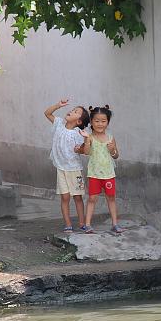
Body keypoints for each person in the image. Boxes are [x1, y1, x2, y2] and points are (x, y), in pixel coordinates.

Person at [44, 98, 90, 232]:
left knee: (77, 197)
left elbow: (83, 151)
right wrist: (58, 105)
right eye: (72, 109)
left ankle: (82, 223)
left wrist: (81, 146)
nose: (71, 111)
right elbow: (47, 113)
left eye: (76, 112)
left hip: (74, 169)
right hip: (61, 168)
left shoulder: (78, 134)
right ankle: (68, 224)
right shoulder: (59, 124)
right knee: (64, 197)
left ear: (79, 121)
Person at [79, 105, 124, 234]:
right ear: (91, 122)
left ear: (108, 122)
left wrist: (112, 150)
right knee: (92, 198)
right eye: (97, 121)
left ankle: (115, 223)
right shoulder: (90, 137)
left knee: (111, 198)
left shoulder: (110, 137)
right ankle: (87, 225)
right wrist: (87, 140)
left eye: (103, 121)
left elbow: (116, 155)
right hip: (94, 173)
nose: (100, 124)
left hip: (109, 173)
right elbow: (86, 152)